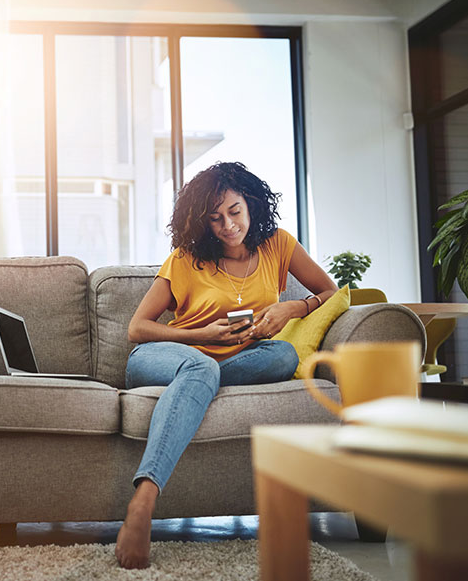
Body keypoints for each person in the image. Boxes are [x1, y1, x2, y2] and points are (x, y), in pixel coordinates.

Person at [115, 162, 338, 569]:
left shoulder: (279, 245)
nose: (227, 225)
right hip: (167, 358)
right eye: (215, 218)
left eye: (234, 211)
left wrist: (292, 306)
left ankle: (200, 387)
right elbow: (137, 329)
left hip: (239, 361)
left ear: (250, 204)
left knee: (284, 355)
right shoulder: (185, 259)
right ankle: (144, 501)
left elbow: (330, 292)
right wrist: (202, 337)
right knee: (202, 369)